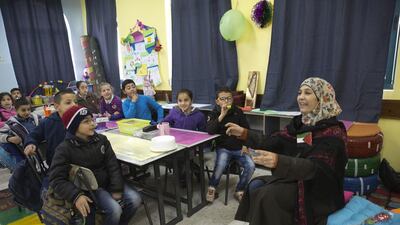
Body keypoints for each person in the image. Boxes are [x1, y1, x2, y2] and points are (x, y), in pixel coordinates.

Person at [227, 77, 348, 225]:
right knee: (254, 185)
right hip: (297, 177)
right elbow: (277, 140)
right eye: (299, 92)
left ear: (322, 98)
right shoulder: (301, 125)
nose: (301, 97)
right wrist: (244, 133)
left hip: (318, 189)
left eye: (308, 93)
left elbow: (317, 168)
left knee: (267, 195)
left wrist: (279, 161)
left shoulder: (333, 134)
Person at [50, 105, 142, 225]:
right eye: (86, 122)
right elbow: (56, 179)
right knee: (115, 210)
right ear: (74, 126)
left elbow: (112, 165)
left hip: (108, 181)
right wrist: (76, 196)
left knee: (135, 199)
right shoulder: (64, 149)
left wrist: (117, 188)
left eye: (92, 120)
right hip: (90, 189)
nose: (93, 124)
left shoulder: (101, 140)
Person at [206, 87, 255, 203]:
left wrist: (246, 145)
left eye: (229, 99)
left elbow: (247, 130)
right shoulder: (214, 113)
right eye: (223, 99)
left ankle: (240, 189)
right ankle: (212, 187)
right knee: (220, 165)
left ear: (232, 100)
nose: (226, 102)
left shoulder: (238, 112)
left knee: (251, 165)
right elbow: (210, 130)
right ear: (217, 101)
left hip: (239, 147)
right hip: (223, 148)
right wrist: (222, 115)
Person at [162, 89, 206, 186]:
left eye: (186, 100)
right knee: (174, 159)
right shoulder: (174, 112)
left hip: (191, 145)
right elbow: (165, 121)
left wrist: (198, 142)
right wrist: (161, 125)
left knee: (183, 158)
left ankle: (187, 174)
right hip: (176, 144)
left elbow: (204, 133)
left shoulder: (199, 115)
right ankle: (190, 172)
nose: (183, 103)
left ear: (191, 101)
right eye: (180, 100)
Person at [24, 89, 76, 165]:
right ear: (57, 106)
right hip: (57, 164)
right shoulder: (48, 122)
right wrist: (30, 143)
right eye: (68, 102)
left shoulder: (80, 119)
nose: (74, 105)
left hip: (79, 161)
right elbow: (33, 135)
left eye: (76, 102)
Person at [0, 98, 41, 168]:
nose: (27, 112)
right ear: (16, 110)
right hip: (25, 151)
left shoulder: (35, 118)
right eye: (23, 110)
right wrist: (9, 138)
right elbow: (1, 134)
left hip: (39, 147)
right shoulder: (11, 123)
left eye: (29, 109)